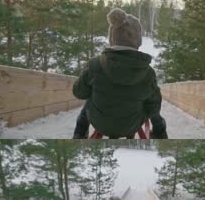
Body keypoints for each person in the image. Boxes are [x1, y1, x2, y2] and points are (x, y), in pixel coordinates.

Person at [72, 8, 168, 139]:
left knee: (90, 98)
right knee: (149, 99)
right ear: (138, 40)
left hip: (100, 124)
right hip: (131, 125)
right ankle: (159, 132)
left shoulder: (95, 64)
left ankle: (79, 134)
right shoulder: (148, 73)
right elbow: (154, 107)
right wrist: (141, 110)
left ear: (112, 37)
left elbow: (79, 93)